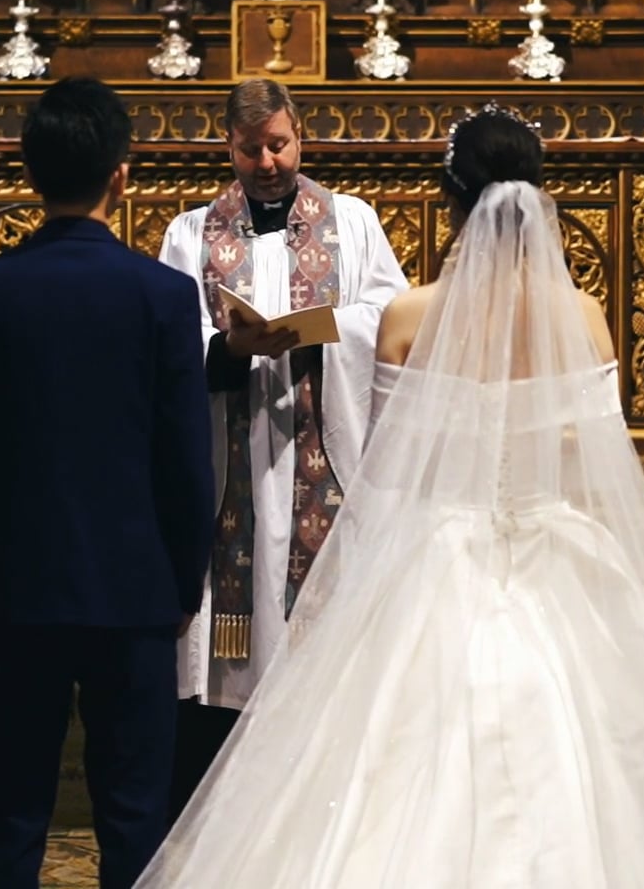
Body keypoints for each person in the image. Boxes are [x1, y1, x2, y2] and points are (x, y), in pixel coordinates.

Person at [136, 106, 644, 887]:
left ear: (452, 200)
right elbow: (594, 466)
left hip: (438, 553)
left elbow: (386, 469)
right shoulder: (583, 317)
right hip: (561, 553)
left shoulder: (412, 316)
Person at [0, 78, 216, 889]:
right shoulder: (164, 296)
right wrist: (184, 586)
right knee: (134, 816)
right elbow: (185, 460)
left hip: (14, 593)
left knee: (14, 816)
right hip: (133, 594)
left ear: (30, 174)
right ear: (122, 175)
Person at [156, 78, 409, 816]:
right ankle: (224, 805)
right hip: (231, 461)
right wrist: (227, 348)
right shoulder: (193, 232)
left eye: (278, 145)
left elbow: (386, 314)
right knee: (228, 642)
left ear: (300, 136)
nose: (266, 162)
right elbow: (176, 337)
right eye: (249, 149)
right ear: (227, 148)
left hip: (317, 453)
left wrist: (325, 327)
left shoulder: (352, 223)